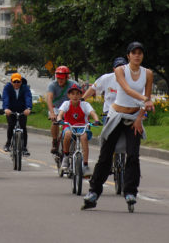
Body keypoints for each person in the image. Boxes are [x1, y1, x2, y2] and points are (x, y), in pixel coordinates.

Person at [82, 42, 155, 210]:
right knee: (106, 155)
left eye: (140, 53)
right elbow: (128, 90)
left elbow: (148, 96)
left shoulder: (148, 74)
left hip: (133, 118)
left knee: (133, 156)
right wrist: (145, 100)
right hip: (116, 116)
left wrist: (139, 118)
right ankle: (94, 192)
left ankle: (130, 192)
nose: (137, 56)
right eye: (134, 53)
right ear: (128, 55)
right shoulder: (120, 71)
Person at [57, 84, 101, 175]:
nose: (75, 96)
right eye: (72, 94)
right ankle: (65, 156)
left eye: (77, 94)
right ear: (69, 95)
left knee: (84, 137)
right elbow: (60, 114)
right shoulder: (66, 104)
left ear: (81, 95)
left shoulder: (85, 104)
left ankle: (85, 165)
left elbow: (92, 113)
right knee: (68, 134)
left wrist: (96, 120)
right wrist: (59, 119)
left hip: (82, 127)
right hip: (69, 126)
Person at [83, 57, 127, 123]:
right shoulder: (106, 78)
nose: (120, 70)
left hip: (125, 112)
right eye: (118, 67)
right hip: (108, 112)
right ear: (114, 69)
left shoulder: (132, 80)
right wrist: (81, 100)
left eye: (122, 67)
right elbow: (93, 89)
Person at [47, 66, 79, 154]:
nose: (60, 81)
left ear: (67, 78)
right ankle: (54, 141)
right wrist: (52, 113)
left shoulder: (74, 84)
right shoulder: (52, 85)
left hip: (69, 108)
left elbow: (80, 98)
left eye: (62, 79)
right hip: (56, 107)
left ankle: (75, 142)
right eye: (58, 78)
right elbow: (49, 98)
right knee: (55, 121)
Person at [2, 73, 33, 156]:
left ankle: (24, 148)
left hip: (22, 110)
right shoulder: (7, 87)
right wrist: (6, 108)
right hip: (10, 110)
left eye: (18, 82)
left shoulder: (25, 88)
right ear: (11, 81)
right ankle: (8, 143)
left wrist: (28, 108)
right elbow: (5, 98)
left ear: (21, 81)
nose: (16, 83)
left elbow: (28, 97)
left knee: (23, 127)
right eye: (14, 81)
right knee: (11, 125)